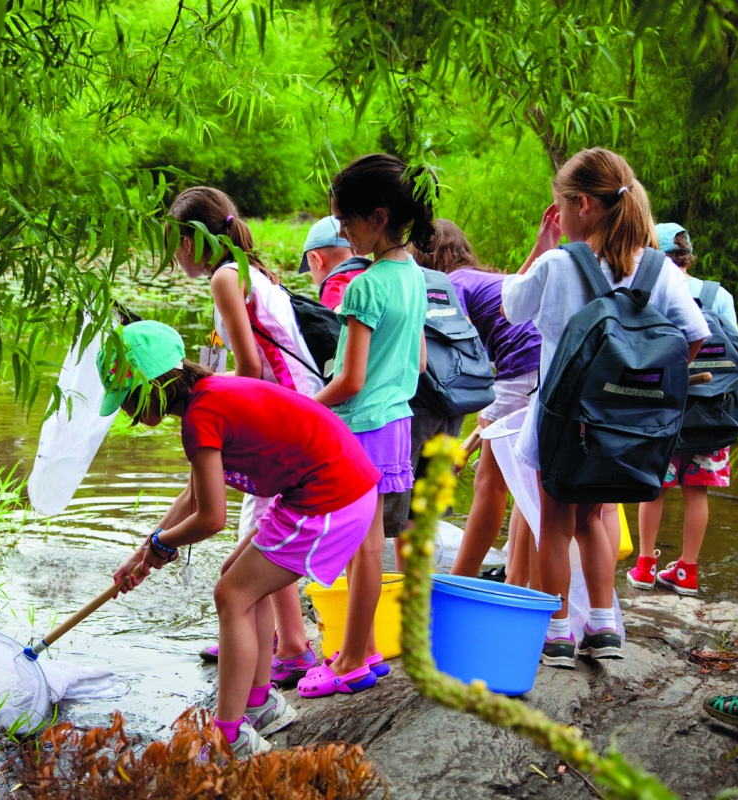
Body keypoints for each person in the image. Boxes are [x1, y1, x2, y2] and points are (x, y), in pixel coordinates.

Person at [104, 321, 381, 759]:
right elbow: (193, 495)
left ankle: (229, 735)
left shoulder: (202, 416)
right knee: (237, 576)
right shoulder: (209, 397)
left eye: (126, 400)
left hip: (331, 496)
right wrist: (143, 553)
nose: (127, 413)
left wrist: (161, 547)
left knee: (231, 595)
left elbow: (212, 518)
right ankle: (260, 704)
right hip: (325, 487)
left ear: (152, 387)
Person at [501, 148, 710, 669]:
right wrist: (652, 393)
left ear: (585, 205)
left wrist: (539, 248)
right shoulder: (660, 270)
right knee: (594, 515)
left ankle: (556, 632)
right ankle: (603, 623)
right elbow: (694, 334)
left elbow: (510, 308)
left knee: (555, 519)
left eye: (562, 207)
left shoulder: (557, 263)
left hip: (562, 419)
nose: (560, 217)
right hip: (628, 425)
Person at [167, 187, 325, 687]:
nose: (173, 254)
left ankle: (290, 647)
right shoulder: (249, 270)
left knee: (258, 544)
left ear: (194, 238)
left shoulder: (224, 277)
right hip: (294, 413)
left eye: (175, 241)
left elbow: (251, 367)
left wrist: (220, 420)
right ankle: (275, 638)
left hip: (283, 424)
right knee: (259, 535)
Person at [296, 153, 430, 698]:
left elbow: (349, 381)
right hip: (396, 423)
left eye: (345, 223)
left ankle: (349, 658)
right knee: (372, 546)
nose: (343, 234)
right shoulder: (415, 275)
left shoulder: (364, 286)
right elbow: (418, 363)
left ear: (377, 216)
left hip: (360, 428)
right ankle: (367, 649)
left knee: (360, 548)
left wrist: (306, 410)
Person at [413, 220, 543, 581]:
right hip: (549, 367)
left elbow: (458, 349)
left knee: (491, 483)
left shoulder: (449, 285)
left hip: (521, 369)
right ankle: (517, 579)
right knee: (526, 482)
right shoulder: (482, 280)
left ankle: (460, 578)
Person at [629, 223, 737, 597]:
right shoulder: (716, 294)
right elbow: (734, 356)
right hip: (711, 411)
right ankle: (687, 572)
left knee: (653, 487)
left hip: (662, 406)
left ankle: (644, 567)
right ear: (688, 255)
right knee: (698, 492)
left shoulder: (650, 290)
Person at [298, 216, 367, 310]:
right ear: (365, 254)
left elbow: (341, 320)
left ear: (318, 260)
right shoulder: (378, 274)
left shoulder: (334, 286)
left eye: (310, 267)